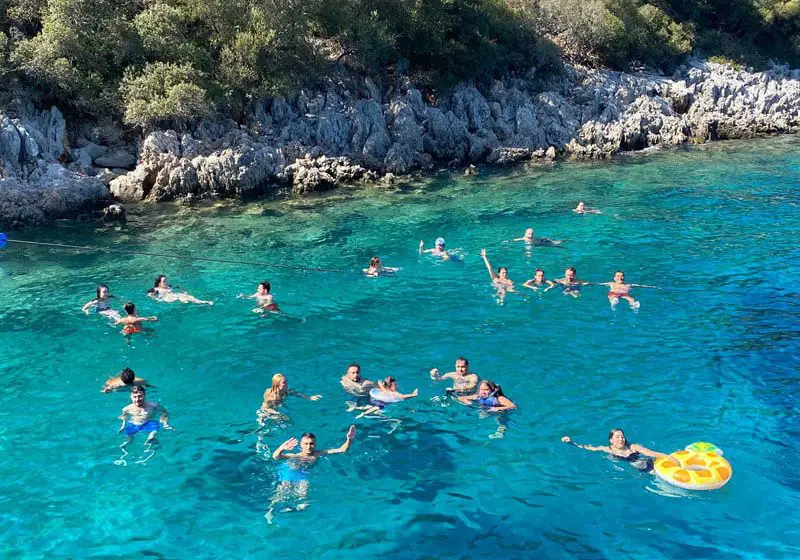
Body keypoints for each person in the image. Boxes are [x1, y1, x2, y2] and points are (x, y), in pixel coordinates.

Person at [267, 425, 356, 522]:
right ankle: (270, 512)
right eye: (306, 444)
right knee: (279, 496)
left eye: (311, 443)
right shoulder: (294, 455)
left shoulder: (319, 454)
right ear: (301, 444)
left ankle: (289, 511)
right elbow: (276, 457)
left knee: (304, 504)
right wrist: (281, 448)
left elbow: (342, 450)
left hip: (303, 476)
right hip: (289, 475)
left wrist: (349, 440)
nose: (309, 446)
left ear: (315, 444)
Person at [561, 429, 677, 472]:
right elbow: (589, 448)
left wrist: (668, 457)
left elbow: (652, 453)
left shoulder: (633, 447)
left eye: (622, 436)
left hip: (648, 463)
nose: (621, 439)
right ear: (611, 440)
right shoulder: (608, 449)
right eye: (617, 437)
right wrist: (571, 443)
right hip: (640, 469)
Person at [258, 373, 322, 424]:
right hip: (265, 413)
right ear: (277, 384)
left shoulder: (285, 390)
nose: (287, 384)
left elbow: (295, 393)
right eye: (284, 382)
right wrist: (279, 414)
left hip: (276, 409)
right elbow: (266, 409)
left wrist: (309, 397)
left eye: (286, 381)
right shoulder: (273, 397)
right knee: (289, 421)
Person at [348, 376, 418, 418]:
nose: (396, 386)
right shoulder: (394, 393)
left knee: (369, 406)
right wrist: (413, 394)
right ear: (390, 386)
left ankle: (355, 408)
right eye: (395, 385)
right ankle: (363, 414)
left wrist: (381, 384)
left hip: (376, 399)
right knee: (377, 407)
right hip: (381, 402)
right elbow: (403, 397)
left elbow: (384, 390)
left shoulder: (385, 389)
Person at [147, 275, 213, 305]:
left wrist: (184, 291)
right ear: (159, 282)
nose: (166, 282)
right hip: (168, 299)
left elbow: (178, 287)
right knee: (184, 299)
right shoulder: (156, 289)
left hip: (174, 296)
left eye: (166, 280)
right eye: (164, 281)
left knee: (188, 297)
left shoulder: (168, 286)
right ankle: (203, 303)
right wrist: (157, 298)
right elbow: (149, 294)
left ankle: (203, 302)